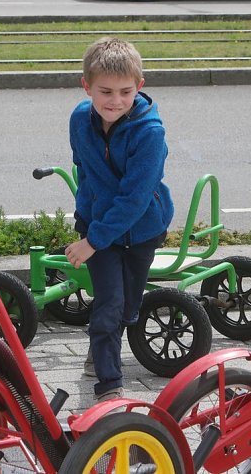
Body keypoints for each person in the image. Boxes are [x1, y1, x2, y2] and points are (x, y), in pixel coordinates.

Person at [64, 37, 174, 402]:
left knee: (128, 306)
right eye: (105, 91)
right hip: (99, 230)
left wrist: (90, 240)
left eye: (125, 92)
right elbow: (84, 169)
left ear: (139, 86)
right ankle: (109, 385)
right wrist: (89, 227)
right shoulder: (80, 118)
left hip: (142, 228)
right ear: (87, 87)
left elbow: (134, 199)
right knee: (109, 304)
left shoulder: (150, 134)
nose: (115, 101)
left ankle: (103, 343)